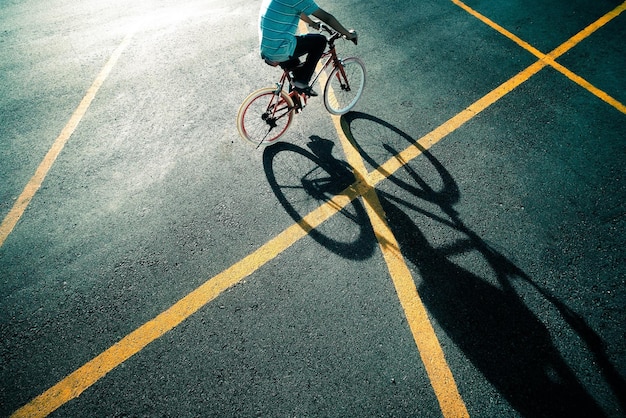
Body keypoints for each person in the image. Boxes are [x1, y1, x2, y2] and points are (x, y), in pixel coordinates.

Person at [259, 0, 357, 96]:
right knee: (320, 41)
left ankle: (292, 102)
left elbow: (297, 9)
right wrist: (348, 34)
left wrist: (311, 22)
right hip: (280, 49)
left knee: (296, 70)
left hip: (267, 47)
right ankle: (302, 81)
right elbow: (327, 18)